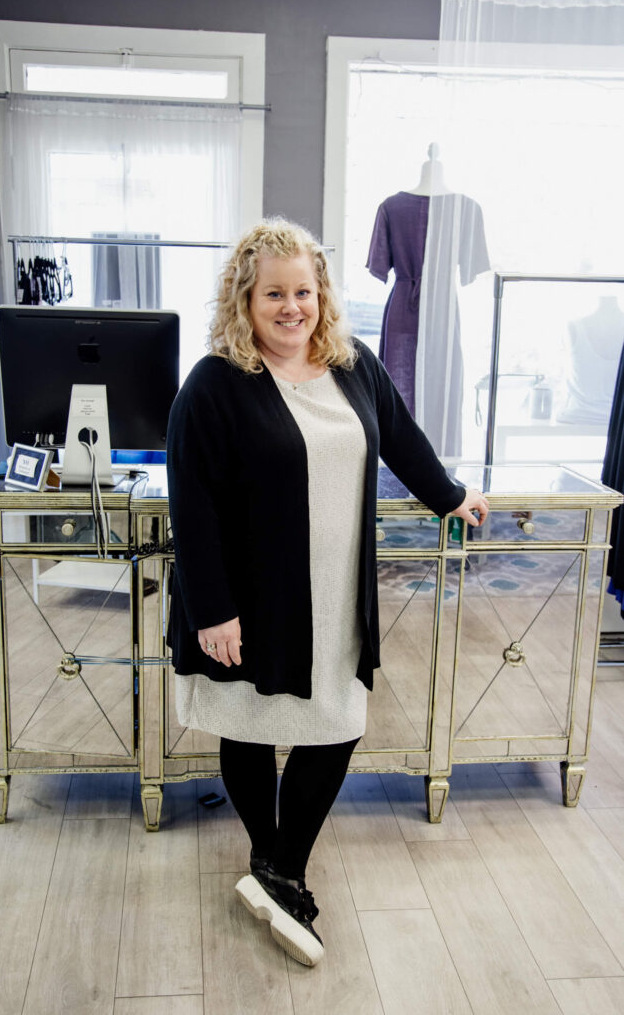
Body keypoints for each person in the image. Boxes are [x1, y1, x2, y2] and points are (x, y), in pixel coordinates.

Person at [166, 217, 488, 967]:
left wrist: (448, 495)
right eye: (273, 293)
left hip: (336, 591)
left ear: (321, 296)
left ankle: (278, 865)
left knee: (337, 723)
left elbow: (401, 439)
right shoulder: (214, 384)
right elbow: (193, 502)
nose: (291, 307)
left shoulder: (352, 365)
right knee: (245, 722)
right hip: (249, 595)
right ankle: (277, 867)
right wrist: (212, 608)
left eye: (303, 291)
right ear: (245, 300)